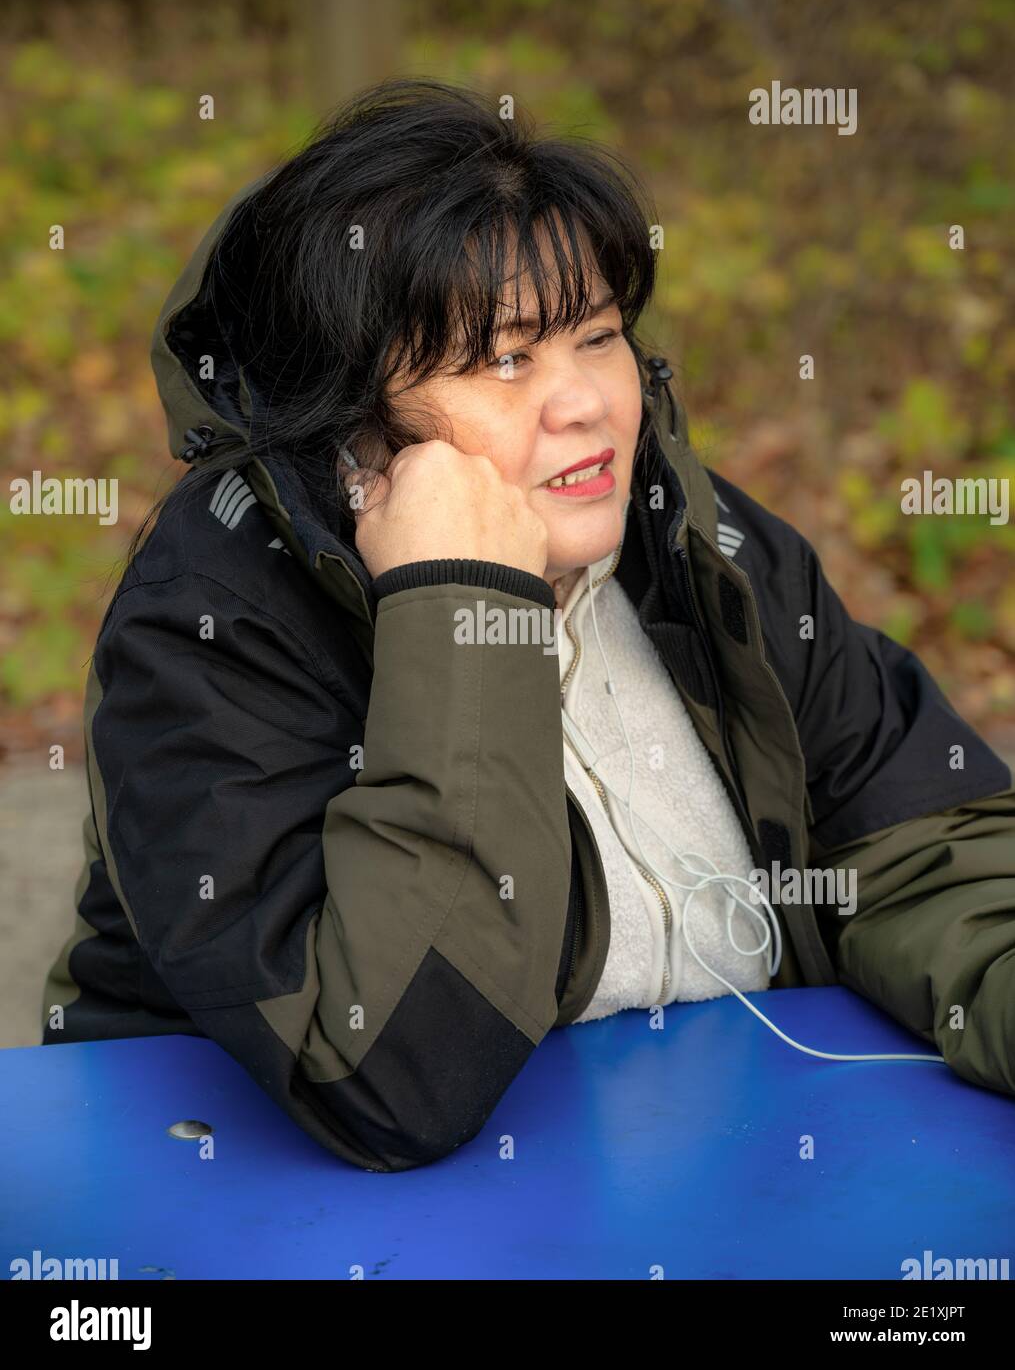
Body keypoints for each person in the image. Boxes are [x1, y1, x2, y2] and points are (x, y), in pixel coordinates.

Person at [41, 78, 1015, 1173]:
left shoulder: (696, 538)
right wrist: (462, 608)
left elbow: (916, 847)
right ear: (347, 420)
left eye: (597, 337)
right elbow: (391, 1075)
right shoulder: (211, 624)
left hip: (725, 1168)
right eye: (504, 359)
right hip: (252, 1209)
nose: (586, 403)